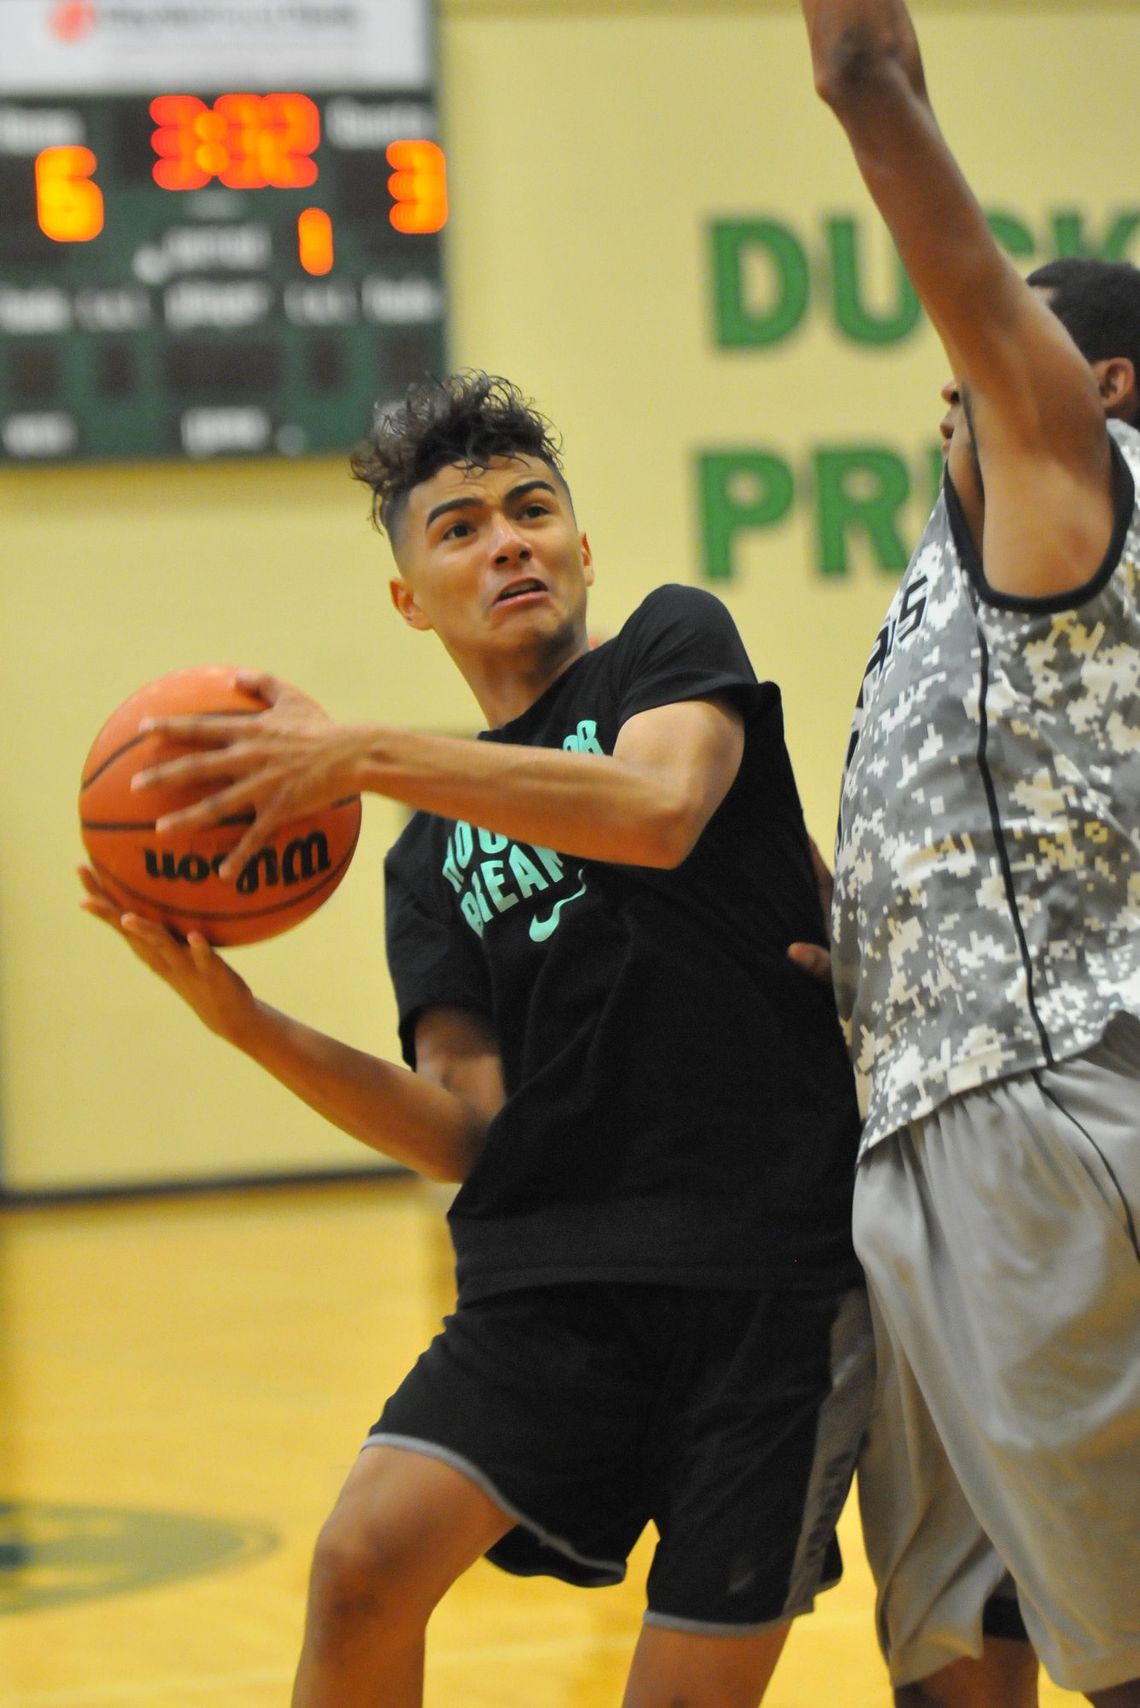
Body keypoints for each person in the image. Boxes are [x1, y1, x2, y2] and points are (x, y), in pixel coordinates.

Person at [81, 370, 873, 1708]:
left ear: (581, 544)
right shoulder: (429, 854)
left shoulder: (670, 653)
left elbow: (658, 809)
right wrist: (246, 1023)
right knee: (362, 1564)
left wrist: (370, 751)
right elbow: (464, 1129)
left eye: (533, 510)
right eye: (458, 527)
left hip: (769, 1275)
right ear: (410, 596)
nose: (507, 541)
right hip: (552, 1276)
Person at [794, 4, 1140, 1707]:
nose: (958, 369)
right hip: (918, 1108)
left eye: (994, 340)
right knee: (955, 1635)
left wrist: (857, 60)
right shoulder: (956, 564)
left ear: (1100, 383)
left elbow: (869, 84)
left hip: (1043, 1108)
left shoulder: (1071, 472)